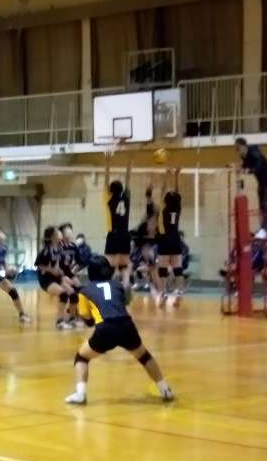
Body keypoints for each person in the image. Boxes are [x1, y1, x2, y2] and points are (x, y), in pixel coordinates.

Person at [65, 255, 174, 405]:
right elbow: (122, 302)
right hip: (126, 325)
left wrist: (76, 312)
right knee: (144, 356)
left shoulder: (85, 291)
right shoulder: (117, 285)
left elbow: (88, 321)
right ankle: (165, 389)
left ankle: (80, 394)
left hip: (105, 329)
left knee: (82, 357)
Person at [35, 226, 78, 330]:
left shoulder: (60, 249)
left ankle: (72, 319)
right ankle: (60, 322)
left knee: (73, 294)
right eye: (58, 232)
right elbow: (39, 265)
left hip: (56, 278)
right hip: (46, 279)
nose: (60, 233)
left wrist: (64, 274)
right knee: (63, 294)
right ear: (53, 236)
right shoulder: (46, 251)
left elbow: (61, 264)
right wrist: (51, 270)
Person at [235, 138, 267, 238]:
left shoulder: (254, 153)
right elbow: (245, 165)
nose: (238, 151)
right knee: (261, 205)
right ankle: (263, 228)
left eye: (238, 148)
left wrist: (249, 170)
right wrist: (240, 168)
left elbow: (258, 166)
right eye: (236, 149)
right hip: (262, 182)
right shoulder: (244, 156)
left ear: (244, 146)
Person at [156, 170, 184, 307]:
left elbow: (162, 193)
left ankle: (163, 294)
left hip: (164, 238)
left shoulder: (163, 209)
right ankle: (179, 294)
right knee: (178, 270)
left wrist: (166, 178)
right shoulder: (178, 208)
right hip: (175, 238)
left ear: (165, 201)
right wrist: (177, 175)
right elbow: (178, 193)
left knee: (162, 270)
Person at [104, 151, 132, 285]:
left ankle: (111, 289)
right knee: (124, 266)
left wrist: (107, 164)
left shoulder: (109, 199)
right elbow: (128, 181)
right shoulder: (126, 198)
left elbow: (106, 182)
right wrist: (129, 165)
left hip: (114, 234)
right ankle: (125, 285)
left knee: (110, 266)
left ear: (111, 190)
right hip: (125, 234)